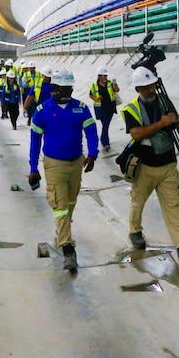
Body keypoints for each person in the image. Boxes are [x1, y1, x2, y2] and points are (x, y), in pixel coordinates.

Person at [122, 67, 179, 259]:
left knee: (173, 204)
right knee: (138, 202)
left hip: (168, 164)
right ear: (138, 90)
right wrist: (162, 123)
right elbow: (137, 134)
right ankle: (135, 231)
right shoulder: (131, 109)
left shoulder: (164, 101)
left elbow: (175, 117)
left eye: (152, 85)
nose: (150, 90)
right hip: (145, 166)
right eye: (145, 87)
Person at [28, 68, 98, 270]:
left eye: (70, 89)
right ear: (53, 89)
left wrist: (92, 153)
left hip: (76, 163)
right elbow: (35, 141)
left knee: (71, 199)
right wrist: (33, 167)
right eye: (63, 89)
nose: (67, 93)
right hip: (54, 164)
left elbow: (91, 131)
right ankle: (68, 248)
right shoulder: (42, 112)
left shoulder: (81, 108)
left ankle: (62, 230)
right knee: (60, 205)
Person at [89, 66, 120, 152]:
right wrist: (96, 99)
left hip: (110, 107)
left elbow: (117, 90)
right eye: (103, 76)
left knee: (106, 125)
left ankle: (103, 137)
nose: (105, 77)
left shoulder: (110, 83)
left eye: (106, 76)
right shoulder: (94, 86)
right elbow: (90, 95)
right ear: (99, 76)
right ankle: (106, 142)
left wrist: (115, 85)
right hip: (100, 108)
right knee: (105, 124)